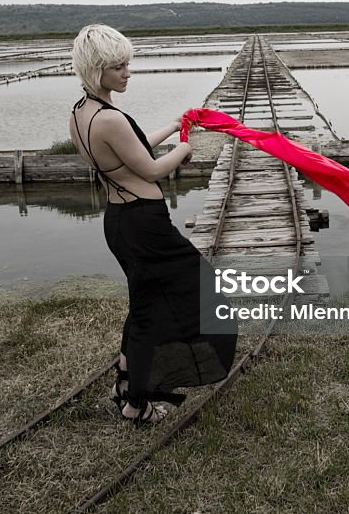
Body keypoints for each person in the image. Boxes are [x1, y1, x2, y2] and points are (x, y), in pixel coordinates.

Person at [69, 24, 236, 426]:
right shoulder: (109, 118)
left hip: (121, 221)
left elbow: (131, 149)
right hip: (145, 227)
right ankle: (136, 404)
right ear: (96, 69)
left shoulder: (82, 113)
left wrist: (177, 123)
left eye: (128, 64)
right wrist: (184, 148)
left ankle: (126, 386)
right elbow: (152, 168)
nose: (128, 72)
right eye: (118, 66)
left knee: (144, 306)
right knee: (202, 293)